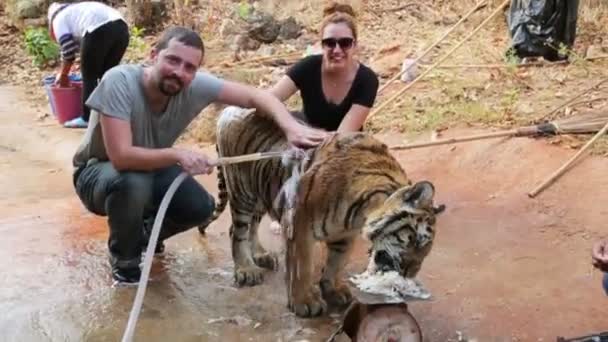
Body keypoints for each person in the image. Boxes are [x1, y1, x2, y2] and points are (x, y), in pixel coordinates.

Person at [72, 26, 329, 285]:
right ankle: (125, 263)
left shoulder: (193, 85)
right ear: (153, 55)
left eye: (189, 67)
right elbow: (122, 157)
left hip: (150, 168)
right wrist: (178, 155)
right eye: (172, 60)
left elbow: (256, 96)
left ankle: (143, 237)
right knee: (131, 182)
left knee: (201, 208)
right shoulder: (119, 81)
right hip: (98, 172)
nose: (179, 72)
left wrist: (291, 127)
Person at [269, 2, 379, 133]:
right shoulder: (308, 67)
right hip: (304, 139)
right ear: (322, 45)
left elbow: (341, 136)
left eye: (345, 43)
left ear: (355, 45)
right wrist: (288, 124)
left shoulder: (367, 80)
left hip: (344, 146)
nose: (337, 50)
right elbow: (270, 99)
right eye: (330, 43)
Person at [48, 1, 130, 128]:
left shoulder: (58, 19)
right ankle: (113, 115)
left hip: (98, 29)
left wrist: (63, 75)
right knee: (107, 76)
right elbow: (81, 51)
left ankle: (87, 117)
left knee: (89, 75)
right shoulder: (76, 12)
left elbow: (68, 51)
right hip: (122, 28)